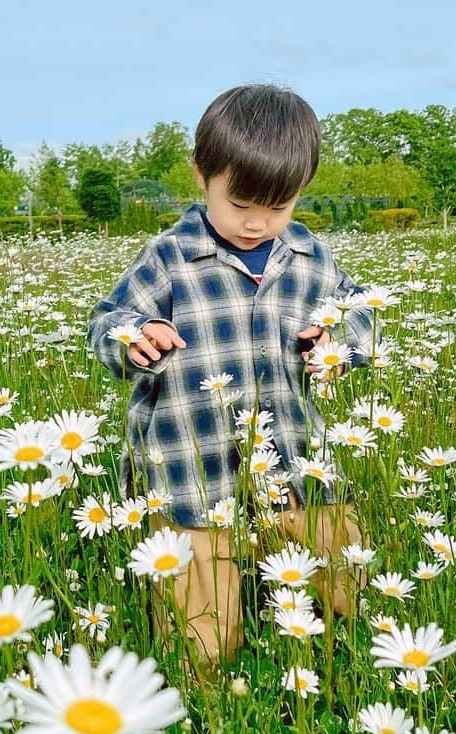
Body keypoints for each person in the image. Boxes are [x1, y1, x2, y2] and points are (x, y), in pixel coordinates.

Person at [87, 84, 379, 665]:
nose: (257, 223)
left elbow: (362, 312)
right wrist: (135, 335)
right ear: (202, 176)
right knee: (202, 631)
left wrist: (338, 342)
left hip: (295, 455)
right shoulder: (168, 256)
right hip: (190, 468)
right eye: (240, 204)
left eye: (278, 207)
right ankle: (208, 700)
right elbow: (105, 322)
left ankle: (347, 662)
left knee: (345, 578)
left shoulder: (310, 256)